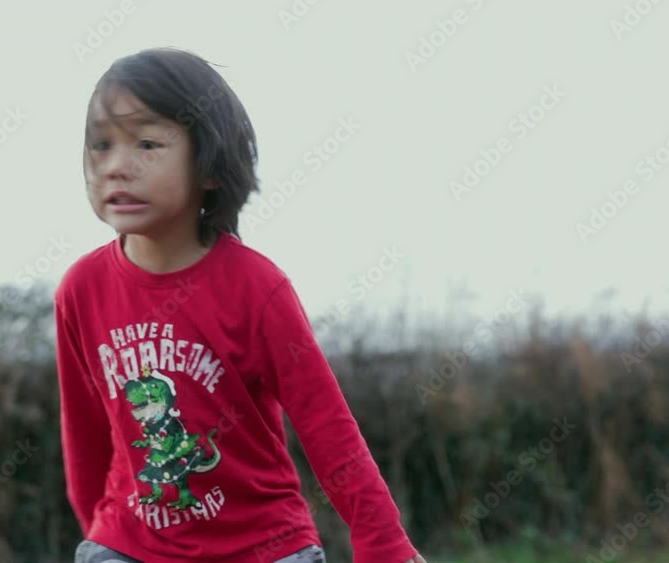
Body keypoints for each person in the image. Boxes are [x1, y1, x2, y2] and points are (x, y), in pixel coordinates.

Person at [55, 47, 426, 563]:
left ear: (210, 168)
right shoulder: (81, 289)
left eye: (146, 142)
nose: (117, 166)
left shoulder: (257, 288)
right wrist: (100, 531)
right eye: (101, 144)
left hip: (263, 547)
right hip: (130, 545)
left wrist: (384, 545)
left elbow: (328, 430)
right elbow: (86, 439)